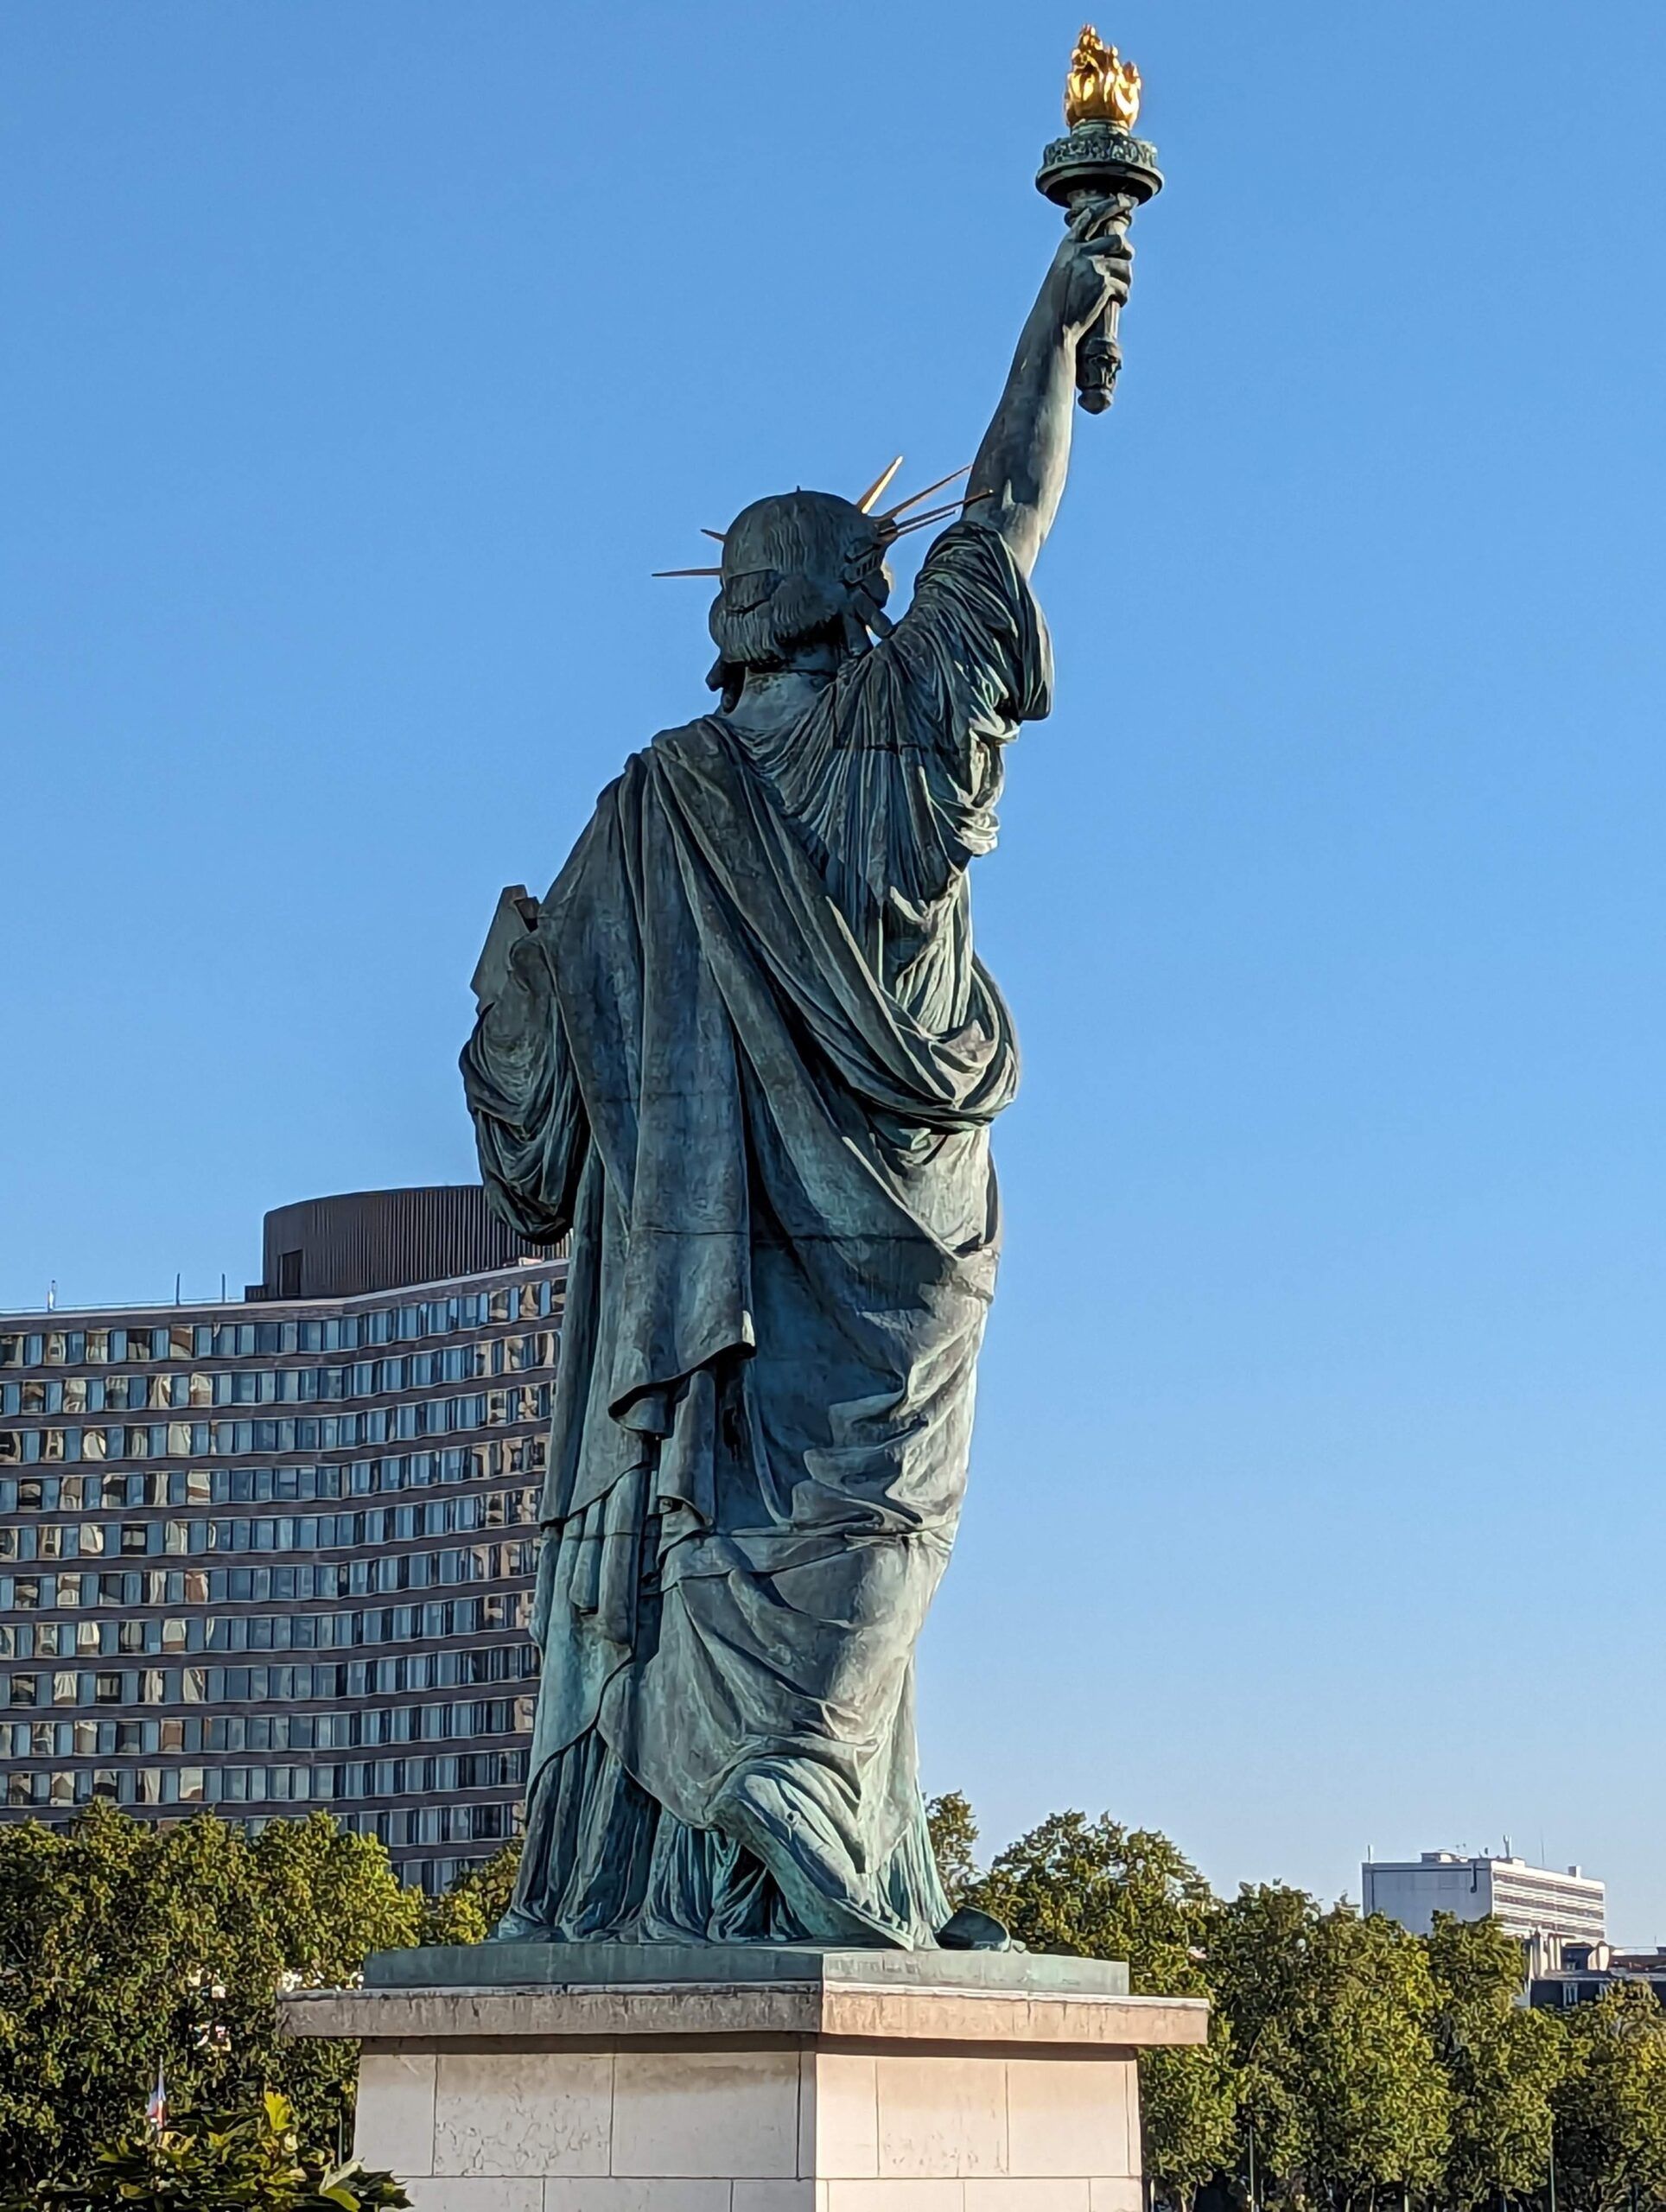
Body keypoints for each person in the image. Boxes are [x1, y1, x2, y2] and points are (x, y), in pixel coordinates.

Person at [462, 203, 1134, 1948]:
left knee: (788, 1556)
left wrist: (514, 987)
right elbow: (1005, 510)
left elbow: (536, 1158)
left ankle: (787, 1855)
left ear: (739, 618)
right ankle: (800, 1856)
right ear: (862, 601)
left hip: (727, 1302)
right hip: (903, 1264)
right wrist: (1056, 321)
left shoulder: (640, 814)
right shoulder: (895, 723)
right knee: (875, 1550)